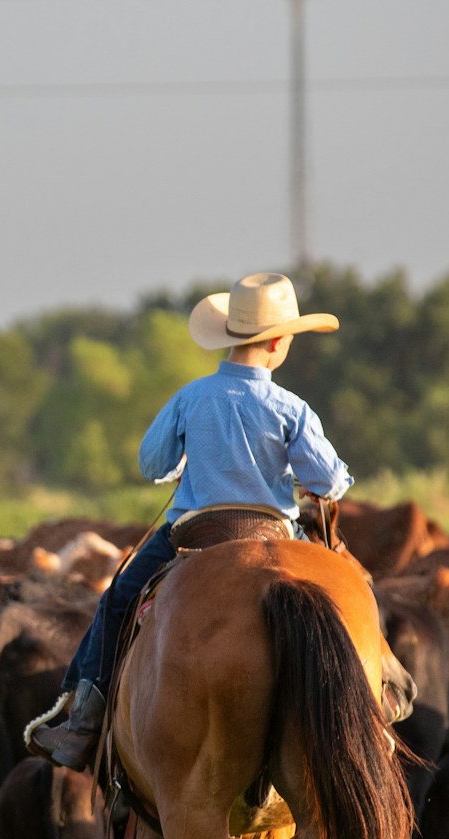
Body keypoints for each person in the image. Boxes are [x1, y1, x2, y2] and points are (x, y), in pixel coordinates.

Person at [29, 272, 353, 771]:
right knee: (350, 593)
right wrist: (309, 482)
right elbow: (330, 481)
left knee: (118, 600)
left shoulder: (191, 398)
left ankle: (82, 722)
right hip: (276, 536)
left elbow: (151, 464)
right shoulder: (292, 408)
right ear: (276, 342)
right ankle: (375, 707)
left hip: (192, 538)